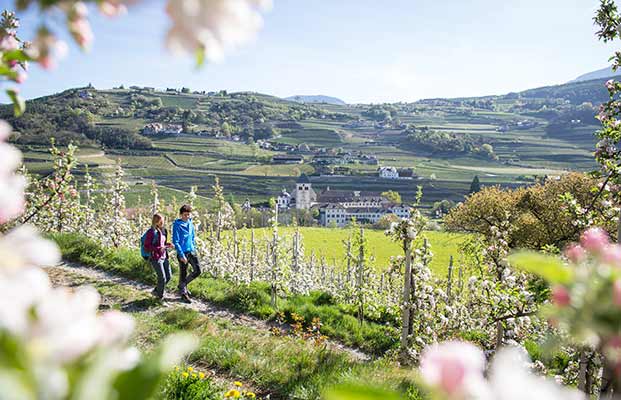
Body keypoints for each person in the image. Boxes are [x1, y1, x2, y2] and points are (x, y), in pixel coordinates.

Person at [173, 204, 202, 303]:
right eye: (185, 215)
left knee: (198, 271)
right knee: (183, 273)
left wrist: (194, 248)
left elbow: (192, 237)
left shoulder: (190, 223)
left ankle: (182, 285)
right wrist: (181, 255)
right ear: (181, 215)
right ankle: (184, 294)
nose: (187, 216)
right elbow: (175, 241)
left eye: (188, 215)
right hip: (183, 253)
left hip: (191, 251)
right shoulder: (177, 225)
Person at [144, 213, 173, 300]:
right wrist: (158, 248)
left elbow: (162, 243)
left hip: (164, 256)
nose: (163, 223)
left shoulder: (164, 230)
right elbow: (147, 247)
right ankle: (159, 297)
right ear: (156, 222)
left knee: (168, 277)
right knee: (162, 278)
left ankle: (156, 291)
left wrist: (168, 245)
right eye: (161, 221)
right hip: (155, 257)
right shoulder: (151, 232)